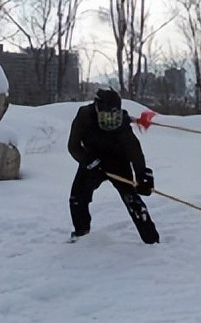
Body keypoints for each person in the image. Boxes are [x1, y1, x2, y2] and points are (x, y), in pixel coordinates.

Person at [66, 88, 159, 243]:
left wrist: (142, 174)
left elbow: (133, 150)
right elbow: (73, 146)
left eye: (114, 116)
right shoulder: (84, 117)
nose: (111, 121)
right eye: (106, 116)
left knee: (132, 199)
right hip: (92, 160)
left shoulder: (122, 123)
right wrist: (89, 161)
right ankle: (81, 235)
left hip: (118, 161)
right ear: (97, 109)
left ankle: (151, 240)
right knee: (78, 197)